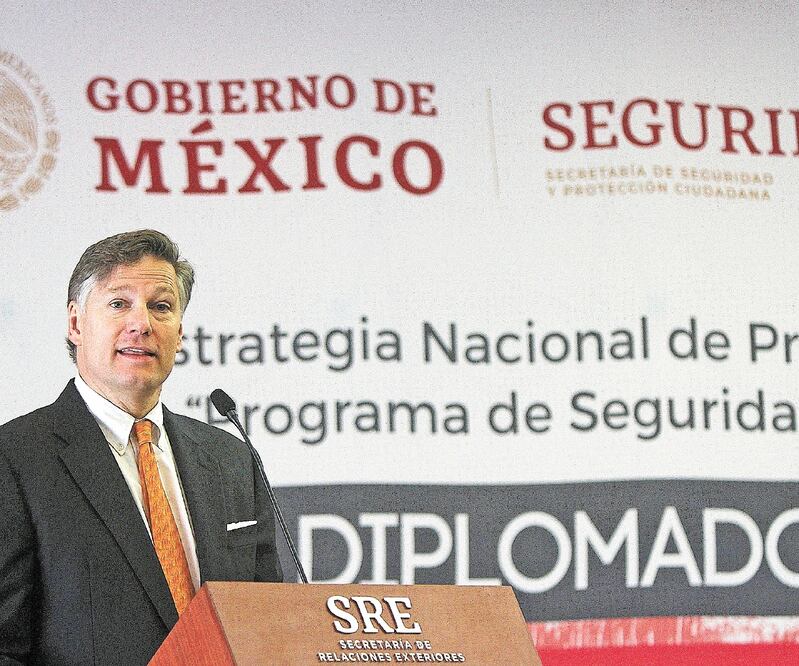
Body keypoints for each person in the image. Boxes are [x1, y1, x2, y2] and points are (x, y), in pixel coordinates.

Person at [0, 229, 283, 665]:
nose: (142, 323)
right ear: (76, 323)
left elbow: (269, 629)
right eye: (119, 304)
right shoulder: (16, 458)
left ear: (180, 333)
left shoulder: (231, 460)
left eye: (161, 307)